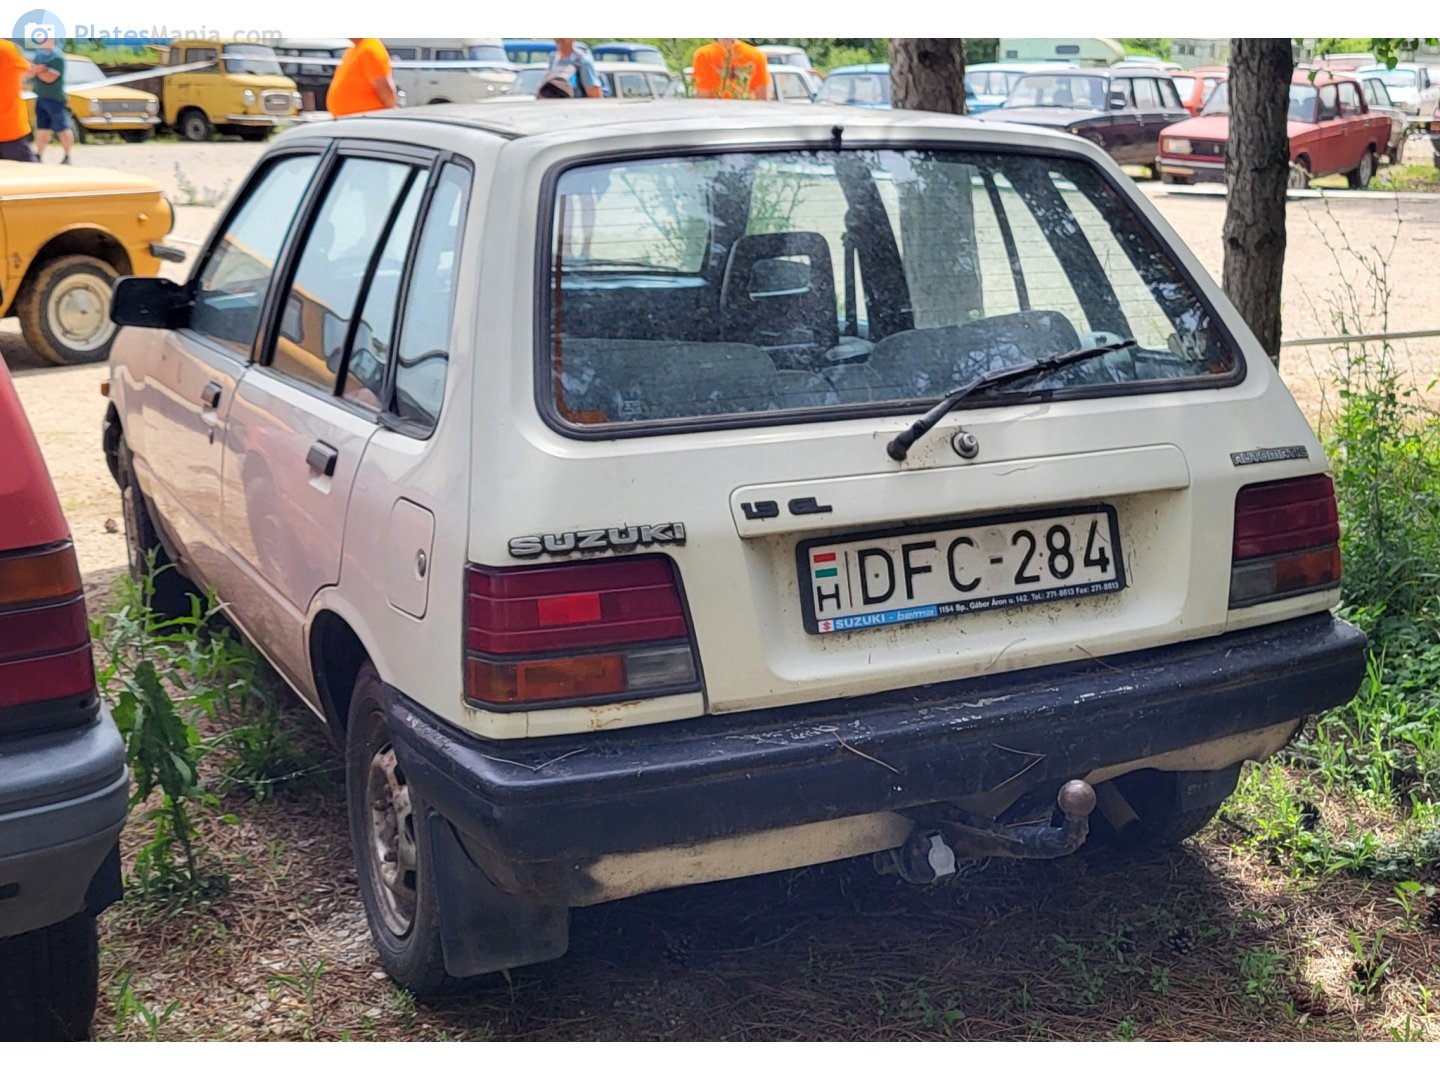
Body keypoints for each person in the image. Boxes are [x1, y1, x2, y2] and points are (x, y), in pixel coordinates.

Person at [27, 35, 73, 165]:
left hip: (55, 99)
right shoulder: (39, 56)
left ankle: (67, 155)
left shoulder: (57, 57)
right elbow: (29, 73)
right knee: (42, 129)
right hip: (41, 98)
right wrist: (39, 70)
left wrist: (39, 70)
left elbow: (50, 78)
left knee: (62, 129)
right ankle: (39, 155)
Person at [327, 37, 398, 118]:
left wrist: (391, 114)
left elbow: (385, 89)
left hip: (366, 120)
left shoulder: (370, 50)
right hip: (350, 120)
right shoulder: (354, 49)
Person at [691, 38, 770, 100]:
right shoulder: (704, 55)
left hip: (745, 114)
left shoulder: (756, 56)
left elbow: (761, 96)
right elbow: (702, 95)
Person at [0, 38, 37, 162]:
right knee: (29, 177)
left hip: (10, 131)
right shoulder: (7, 49)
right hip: (10, 131)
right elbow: (28, 71)